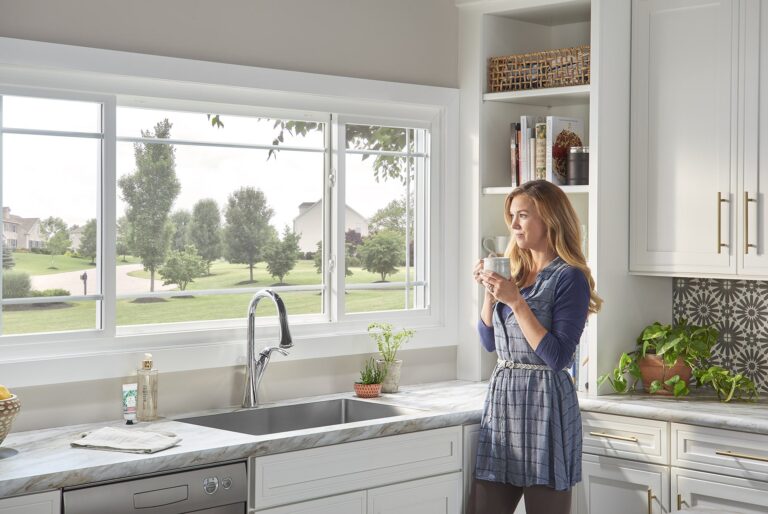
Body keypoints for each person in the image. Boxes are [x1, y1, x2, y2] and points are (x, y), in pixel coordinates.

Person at [469, 180, 602, 514]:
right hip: (503, 404)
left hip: (546, 405)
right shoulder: (515, 272)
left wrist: (516, 302)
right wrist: (490, 293)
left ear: (550, 220)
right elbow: (488, 342)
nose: (514, 224)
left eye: (523, 215)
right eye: (512, 216)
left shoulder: (569, 278)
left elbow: (558, 357)